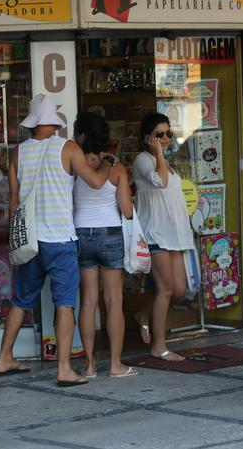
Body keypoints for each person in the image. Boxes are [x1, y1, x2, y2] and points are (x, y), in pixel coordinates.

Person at [0, 94, 113, 387]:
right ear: (54, 122)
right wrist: (108, 162)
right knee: (64, 304)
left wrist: (16, 239)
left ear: (33, 123)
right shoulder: (68, 148)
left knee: (21, 301)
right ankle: (63, 368)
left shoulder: (17, 153)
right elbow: (96, 182)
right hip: (60, 239)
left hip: (31, 240)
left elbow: (13, 202)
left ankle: (4, 358)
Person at [73, 122, 138, 378]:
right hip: (111, 234)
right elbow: (127, 210)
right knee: (113, 302)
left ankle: (89, 365)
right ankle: (115, 364)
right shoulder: (116, 168)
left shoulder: (74, 167)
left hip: (81, 234)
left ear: (81, 136)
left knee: (88, 302)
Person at [132, 112, 194, 361]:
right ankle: (159, 346)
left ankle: (144, 316)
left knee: (179, 289)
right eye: (160, 134)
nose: (166, 138)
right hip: (156, 232)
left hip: (175, 234)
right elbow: (160, 182)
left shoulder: (163, 161)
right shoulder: (143, 160)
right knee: (166, 289)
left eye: (168, 133)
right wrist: (158, 152)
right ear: (147, 137)